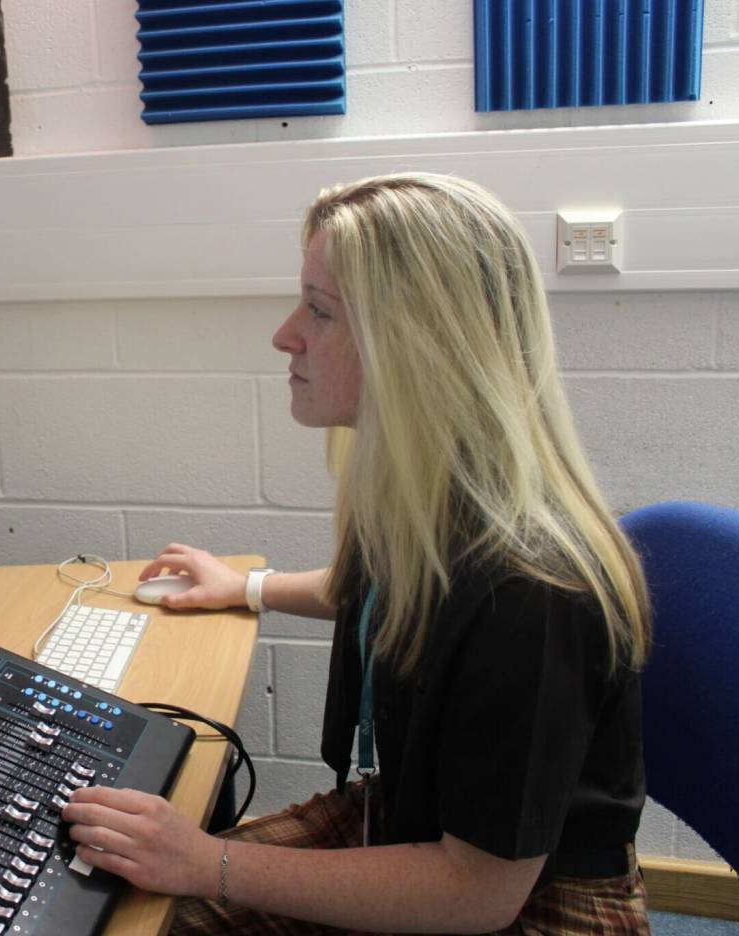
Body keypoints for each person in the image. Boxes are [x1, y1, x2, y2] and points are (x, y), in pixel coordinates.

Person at [60, 173, 652, 934]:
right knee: (129, 915)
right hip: (408, 827)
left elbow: (477, 894)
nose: (286, 335)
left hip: (520, 901)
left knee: (160, 906)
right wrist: (248, 588)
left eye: (320, 311)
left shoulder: (533, 592)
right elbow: (384, 595)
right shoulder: (432, 489)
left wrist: (205, 861)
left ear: (419, 344)